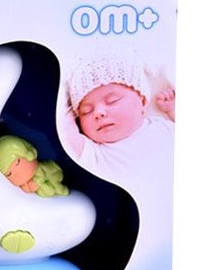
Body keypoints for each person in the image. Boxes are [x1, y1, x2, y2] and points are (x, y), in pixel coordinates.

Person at [60, 56, 175, 185]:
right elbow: (64, 127)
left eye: (112, 101)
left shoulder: (162, 126)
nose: (98, 113)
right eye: (86, 111)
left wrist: (172, 110)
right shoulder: (95, 154)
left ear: (142, 101)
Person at [0, 135, 68, 197]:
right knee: (46, 191)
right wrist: (30, 186)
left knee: (53, 183)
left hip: (54, 172)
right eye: (9, 174)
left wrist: (36, 183)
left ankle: (60, 189)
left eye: (18, 162)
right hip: (42, 189)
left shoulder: (39, 170)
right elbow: (28, 189)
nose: (17, 174)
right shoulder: (24, 184)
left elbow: (42, 175)